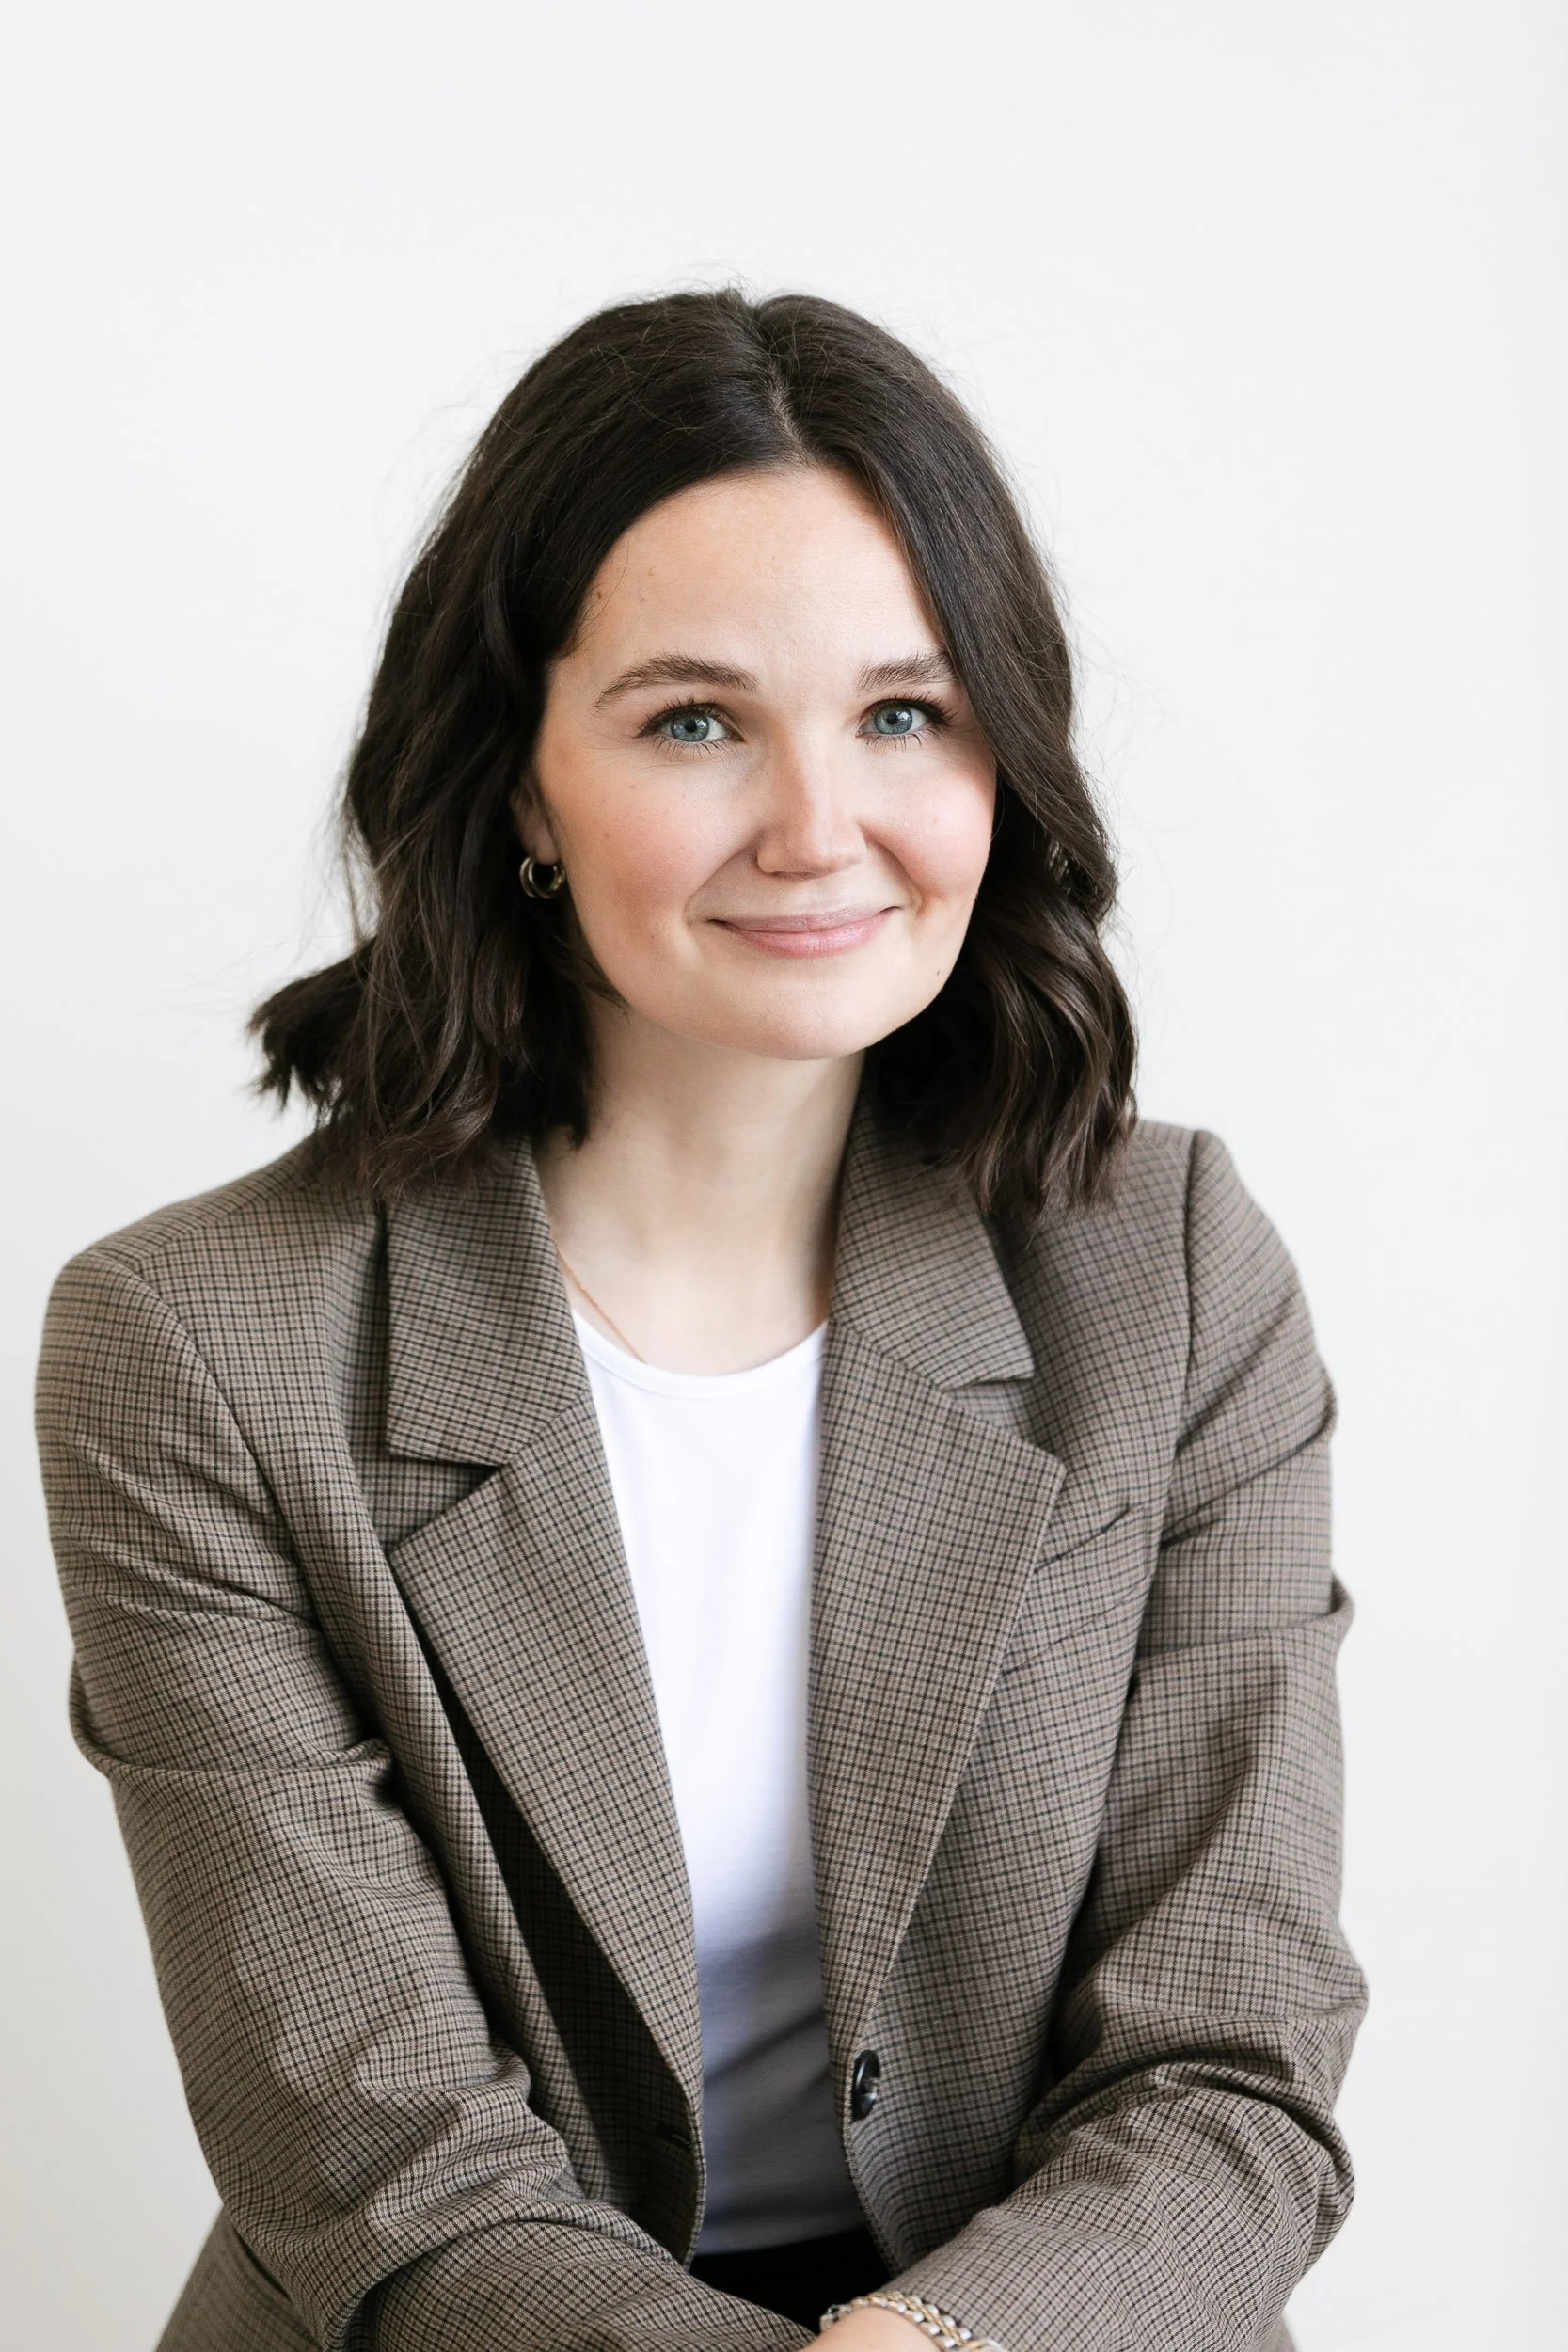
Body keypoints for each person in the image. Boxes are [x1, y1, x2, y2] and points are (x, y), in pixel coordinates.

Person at [35, 288, 1365, 2352]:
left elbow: (1227, 2061)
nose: (817, 826)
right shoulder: (194, 1345)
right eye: (691, 720)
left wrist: (924, 2347)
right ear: (517, 787)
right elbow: (381, 2162)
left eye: (902, 714)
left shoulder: (1168, 1270)